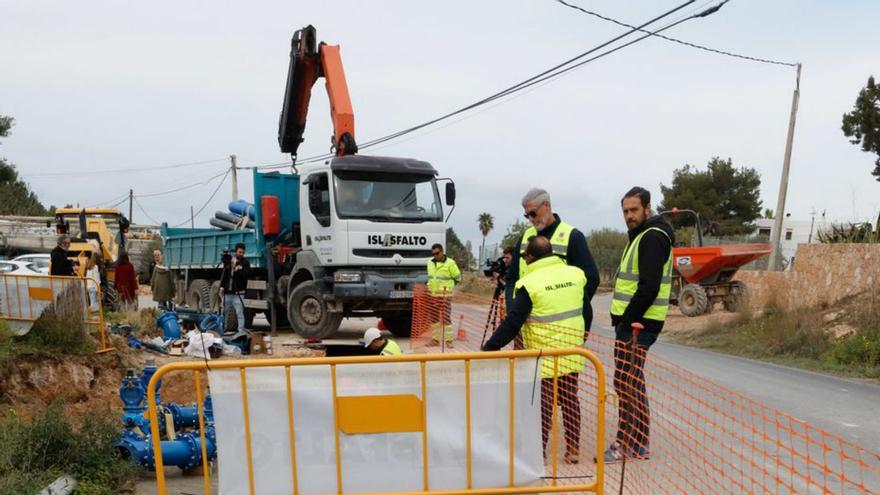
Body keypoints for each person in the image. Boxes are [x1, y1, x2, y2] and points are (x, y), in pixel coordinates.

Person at [482, 236, 588, 465]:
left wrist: (490, 347)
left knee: (542, 407)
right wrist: (582, 338)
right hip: (572, 353)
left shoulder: (529, 283)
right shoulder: (576, 274)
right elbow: (585, 310)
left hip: (543, 356)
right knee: (570, 399)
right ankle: (573, 449)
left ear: (530, 257)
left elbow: (513, 322)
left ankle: (538, 454)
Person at [604, 186, 674, 464]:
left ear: (647, 208)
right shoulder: (641, 236)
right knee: (632, 380)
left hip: (638, 324)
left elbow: (649, 286)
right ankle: (640, 441)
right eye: (625, 211)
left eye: (634, 210)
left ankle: (625, 443)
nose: (629, 216)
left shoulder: (652, 238)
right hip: (635, 322)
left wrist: (630, 318)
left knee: (625, 381)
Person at [505, 188, 600, 331]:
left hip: (559, 329)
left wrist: (574, 308)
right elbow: (512, 278)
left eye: (533, 213)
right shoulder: (525, 237)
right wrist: (514, 311)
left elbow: (591, 278)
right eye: (527, 215)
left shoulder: (572, 237)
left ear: (546, 205)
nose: (530, 219)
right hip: (526, 326)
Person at [426, 243, 461, 346]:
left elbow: (458, 278)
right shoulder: (430, 263)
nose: (435, 256)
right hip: (433, 295)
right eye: (433, 254)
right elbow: (431, 278)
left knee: (446, 317)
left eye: (437, 253)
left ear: (442, 252)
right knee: (434, 318)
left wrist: (449, 288)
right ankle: (435, 340)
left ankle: (448, 341)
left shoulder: (450, 263)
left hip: (445, 295)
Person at [220, 243, 250, 331]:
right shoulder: (230, 261)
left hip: (238, 293)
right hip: (228, 292)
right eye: (239, 252)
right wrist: (222, 286)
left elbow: (247, 275)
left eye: (243, 252)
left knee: (239, 313)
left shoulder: (245, 263)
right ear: (236, 251)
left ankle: (240, 331)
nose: (241, 254)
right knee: (224, 312)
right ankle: (223, 329)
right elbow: (225, 274)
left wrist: (237, 270)